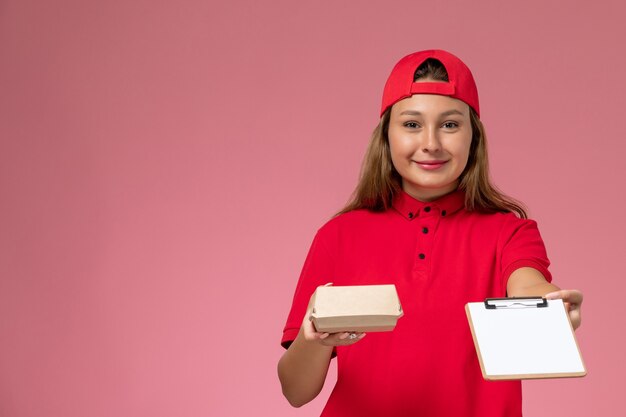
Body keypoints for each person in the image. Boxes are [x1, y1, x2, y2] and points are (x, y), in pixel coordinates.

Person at [277, 49, 583, 417]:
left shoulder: (509, 231)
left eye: (450, 124)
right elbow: (296, 391)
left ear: (474, 137)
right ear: (386, 135)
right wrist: (313, 339)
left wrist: (550, 308)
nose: (431, 143)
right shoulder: (338, 236)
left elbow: (528, 284)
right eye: (411, 124)